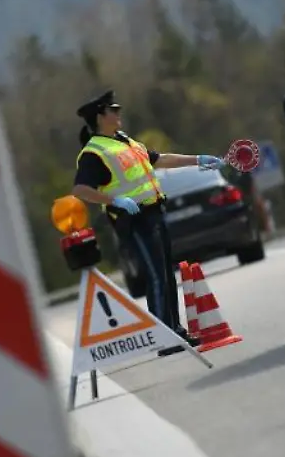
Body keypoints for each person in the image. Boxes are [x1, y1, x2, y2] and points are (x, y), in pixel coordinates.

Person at [71, 90, 225, 356]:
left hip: (154, 212)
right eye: (113, 110)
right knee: (155, 274)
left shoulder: (125, 142)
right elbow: (81, 190)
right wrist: (114, 200)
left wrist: (197, 161)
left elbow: (160, 159)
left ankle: (173, 329)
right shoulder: (94, 152)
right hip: (134, 218)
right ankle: (164, 337)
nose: (118, 114)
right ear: (100, 116)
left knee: (165, 271)